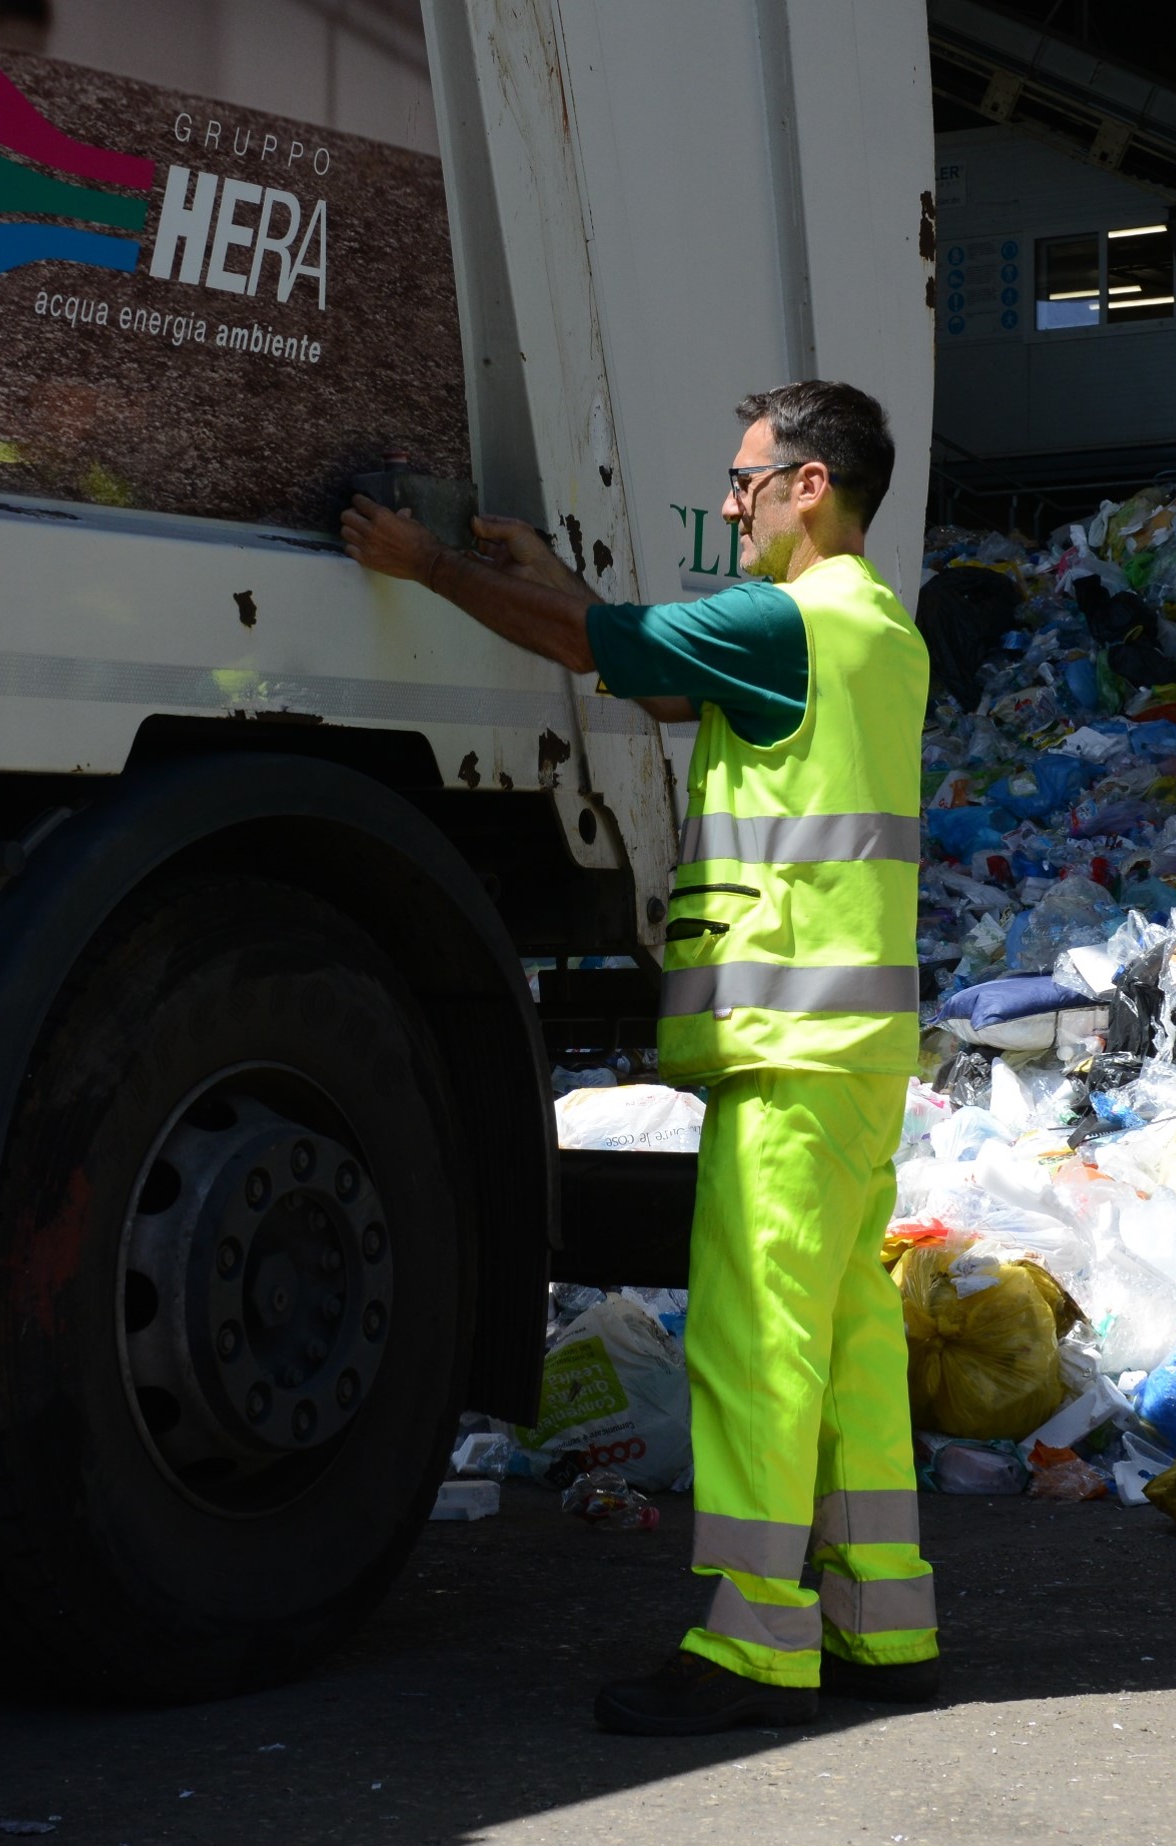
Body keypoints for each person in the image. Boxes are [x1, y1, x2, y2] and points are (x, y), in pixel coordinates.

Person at [340, 380, 937, 1736]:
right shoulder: (875, 631)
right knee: (842, 1340)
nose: (729, 502)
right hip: (854, 1051)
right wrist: (560, 587)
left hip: (789, 1048)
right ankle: (882, 1619)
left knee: (755, 1345)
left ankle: (749, 1648)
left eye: (747, 478)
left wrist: (427, 564)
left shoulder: (786, 618)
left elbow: (602, 643)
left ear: (811, 488)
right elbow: (660, 673)